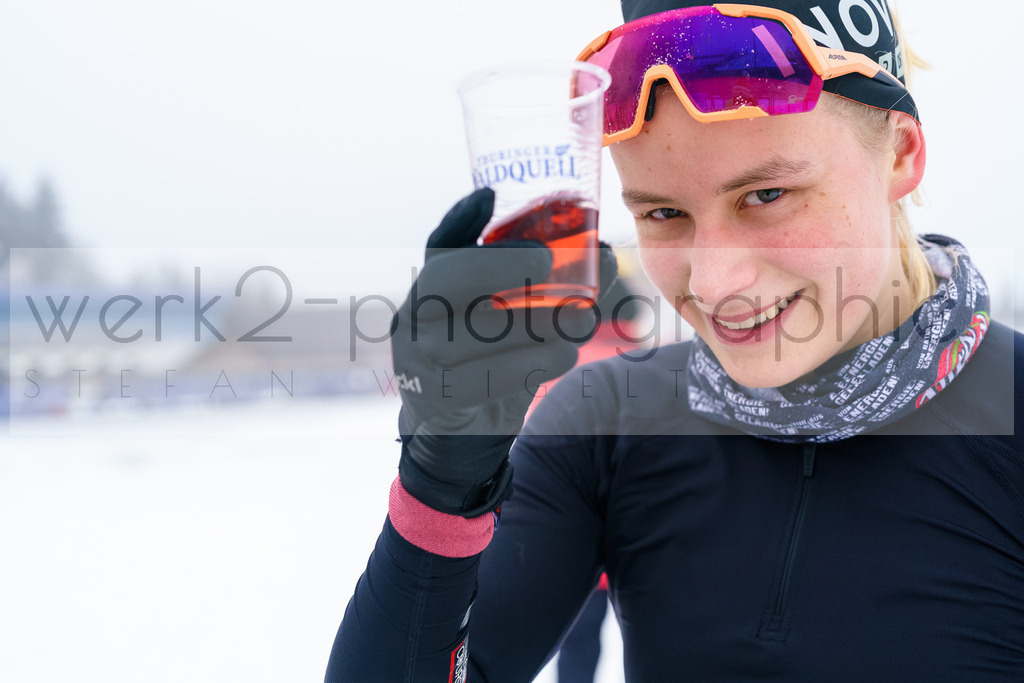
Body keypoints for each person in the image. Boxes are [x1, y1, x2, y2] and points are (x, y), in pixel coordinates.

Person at [326, 1, 1024, 680]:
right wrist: (441, 487)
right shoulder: (605, 425)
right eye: (663, 211)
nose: (716, 282)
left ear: (901, 151)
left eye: (767, 195)